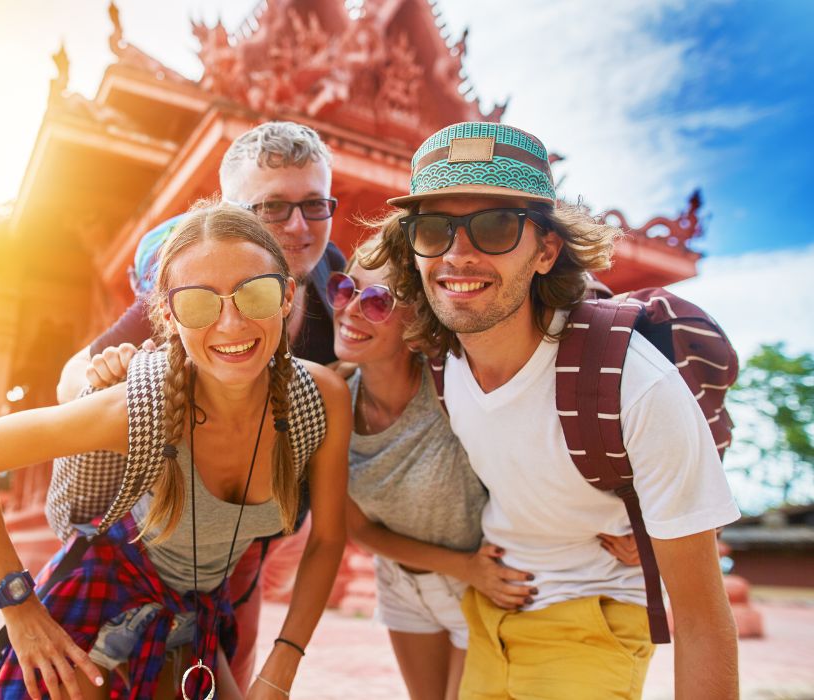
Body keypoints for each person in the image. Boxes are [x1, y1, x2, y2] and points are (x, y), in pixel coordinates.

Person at [368, 121, 740, 698]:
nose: (457, 254)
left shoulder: (635, 385)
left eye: (494, 226)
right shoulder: (437, 356)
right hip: (488, 609)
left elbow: (701, 621)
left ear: (546, 250)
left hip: (592, 615)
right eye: (434, 228)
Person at [0, 202, 351, 700]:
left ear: (286, 296)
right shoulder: (141, 408)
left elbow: (327, 539)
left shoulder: (319, 399)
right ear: (169, 317)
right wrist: (20, 610)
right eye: (200, 303)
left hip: (196, 614)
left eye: (255, 293)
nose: (232, 323)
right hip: (98, 603)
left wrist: (281, 665)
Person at [54, 120, 344, 690]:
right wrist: (119, 383)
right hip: (158, 534)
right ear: (233, 213)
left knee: (232, 663)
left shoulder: (333, 279)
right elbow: (70, 380)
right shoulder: (198, 285)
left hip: (262, 532)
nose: (298, 226)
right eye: (273, 208)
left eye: (315, 205)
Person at [332, 235, 642, 700]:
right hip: (402, 579)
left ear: (417, 317)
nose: (350, 309)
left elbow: (555, 434)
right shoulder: (334, 400)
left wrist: (641, 523)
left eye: (376, 300)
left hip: (483, 579)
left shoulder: (452, 384)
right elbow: (358, 530)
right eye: (343, 289)